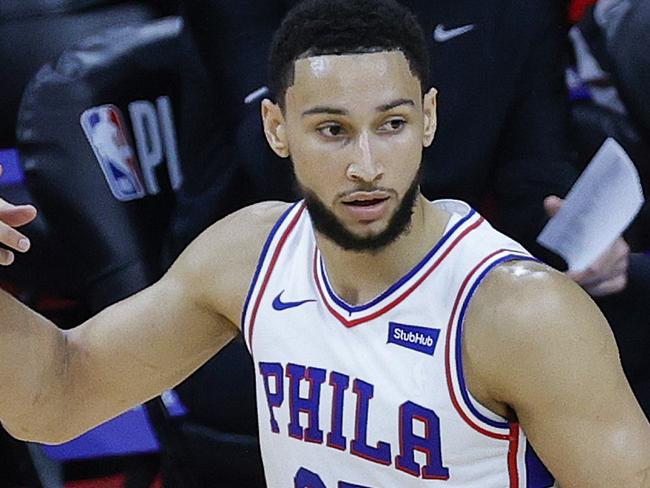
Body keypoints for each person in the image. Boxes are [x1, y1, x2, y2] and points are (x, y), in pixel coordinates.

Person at [0, 0, 648, 486]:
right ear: (276, 130)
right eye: (332, 130)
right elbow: (54, 400)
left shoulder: (523, 313)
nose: (366, 164)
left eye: (390, 125)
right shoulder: (245, 256)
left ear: (428, 119)